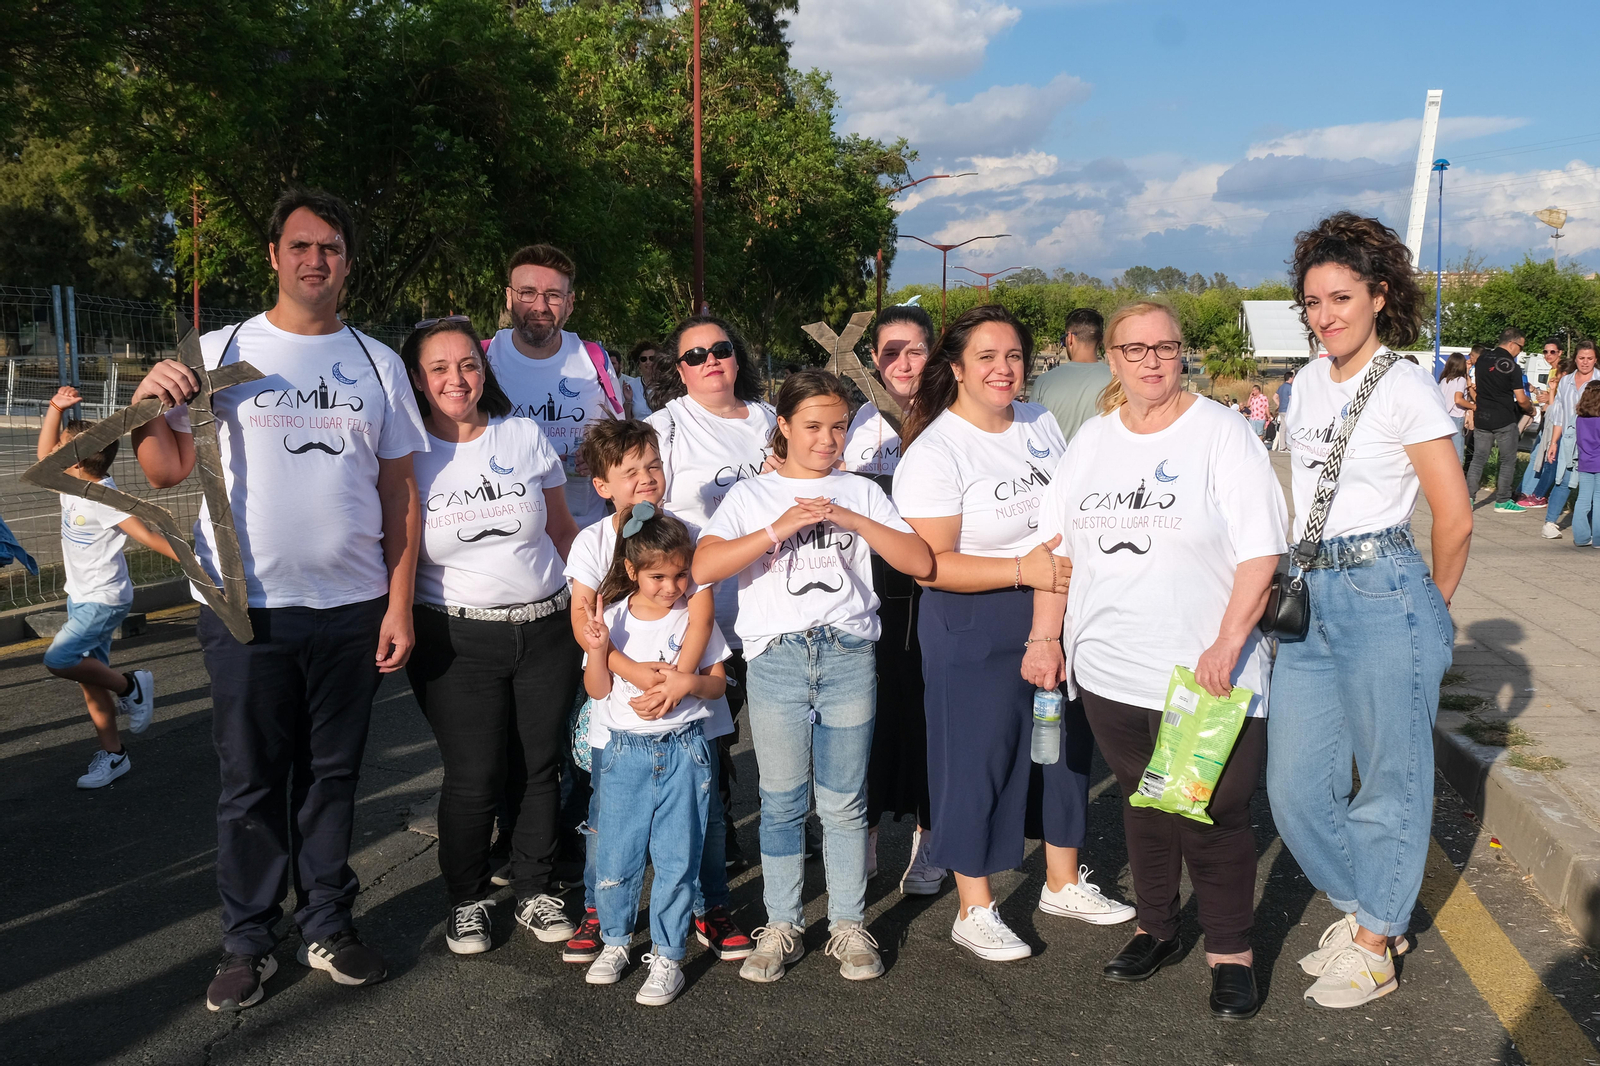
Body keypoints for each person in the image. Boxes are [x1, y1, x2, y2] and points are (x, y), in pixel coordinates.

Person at [129, 188, 428, 1011]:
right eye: (300, 246)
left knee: (332, 777)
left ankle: (328, 922)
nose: (315, 260)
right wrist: (149, 403)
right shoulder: (220, 349)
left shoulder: (376, 361)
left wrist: (398, 604)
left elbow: (402, 493)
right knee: (252, 780)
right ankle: (247, 939)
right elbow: (164, 470)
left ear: (347, 262)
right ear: (273, 256)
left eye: (330, 247)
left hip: (353, 605)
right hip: (245, 606)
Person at [1030, 301, 1287, 1019]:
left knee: (1213, 810)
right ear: (1109, 359)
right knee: (1143, 801)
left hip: (1202, 670)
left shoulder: (1223, 434)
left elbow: (1261, 549)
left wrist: (1229, 642)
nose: (1149, 361)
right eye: (1133, 348)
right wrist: (1046, 638)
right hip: (1110, 666)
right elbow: (1058, 552)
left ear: (1183, 355)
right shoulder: (1092, 444)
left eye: (1164, 347)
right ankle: (1156, 926)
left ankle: (1231, 951)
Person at [1270, 212, 1471, 1009]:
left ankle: (1375, 942)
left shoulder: (1405, 385)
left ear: (1380, 297)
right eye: (1313, 302)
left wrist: (1435, 607)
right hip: (1309, 593)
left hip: (1385, 587)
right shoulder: (1307, 380)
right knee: (1294, 788)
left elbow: (1453, 516)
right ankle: (1372, 910)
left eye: (1342, 298)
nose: (1326, 316)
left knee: (1392, 778)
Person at [892, 304, 1130, 964]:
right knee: (977, 761)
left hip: (1052, 609)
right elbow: (932, 564)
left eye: (1014, 357)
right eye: (988, 358)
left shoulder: (1038, 420)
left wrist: (1049, 592)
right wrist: (1020, 567)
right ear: (958, 368)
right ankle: (975, 905)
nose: (1003, 369)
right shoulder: (936, 449)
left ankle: (1061, 880)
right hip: (975, 620)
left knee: (1061, 748)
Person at [695, 369, 933, 983]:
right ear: (783, 427)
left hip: (850, 653)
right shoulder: (752, 495)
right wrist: (779, 528)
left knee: (846, 801)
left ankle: (849, 923)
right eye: (812, 427)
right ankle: (783, 923)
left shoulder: (861, 491)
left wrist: (855, 521)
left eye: (837, 426)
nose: (827, 439)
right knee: (779, 802)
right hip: (776, 657)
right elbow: (704, 563)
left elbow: (919, 560)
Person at [398, 315, 585, 955]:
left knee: (539, 767)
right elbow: (393, 548)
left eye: (468, 365)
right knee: (474, 774)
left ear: (485, 371)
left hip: (547, 628)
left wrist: (594, 606)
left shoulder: (524, 435)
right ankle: (468, 899)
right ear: (418, 380)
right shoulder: (406, 453)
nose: (458, 379)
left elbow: (562, 531)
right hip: (454, 638)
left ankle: (533, 887)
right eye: (440, 368)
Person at [559, 418, 751, 965]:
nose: (646, 477)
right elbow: (583, 616)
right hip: (621, 706)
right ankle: (600, 911)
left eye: (653, 465)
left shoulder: (687, 531)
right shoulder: (594, 541)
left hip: (690, 706)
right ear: (602, 485)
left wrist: (677, 683)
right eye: (629, 471)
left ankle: (708, 905)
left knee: (705, 813)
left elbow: (702, 611)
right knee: (607, 815)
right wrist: (631, 670)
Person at [581, 509, 731, 1005]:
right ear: (632, 571)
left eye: (680, 574)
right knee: (616, 852)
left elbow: (714, 684)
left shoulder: (694, 620)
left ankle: (668, 954)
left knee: (677, 856)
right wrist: (599, 650)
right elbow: (597, 690)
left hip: (686, 748)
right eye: (657, 576)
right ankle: (616, 941)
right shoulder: (615, 620)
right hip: (624, 751)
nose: (671, 586)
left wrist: (688, 683)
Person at [646, 315, 776, 869]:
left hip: (775, 604)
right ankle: (716, 842)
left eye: (719, 349)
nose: (710, 362)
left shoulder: (772, 420)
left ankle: (785, 830)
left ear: (736, 355)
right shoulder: (666, 425)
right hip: (705, 610)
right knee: (711, 738)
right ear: (680, 371)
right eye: (694, 356)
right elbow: (642, 510)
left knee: (779, 735)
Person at [844, 303, 946, 895]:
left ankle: (931, 843)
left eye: (914, 350)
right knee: (870, 721)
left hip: (938, 591)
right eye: (889, 352)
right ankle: (866, 837)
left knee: (931, 722)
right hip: (870, 595)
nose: (903, 363)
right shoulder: (859, 422)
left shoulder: (954, 419)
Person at [37, 387, 174, 788]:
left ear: (77, 461)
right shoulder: (71, 482)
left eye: (63, 448)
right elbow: (45, 455)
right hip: (80, 597)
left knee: (58, 660)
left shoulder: (104, 497)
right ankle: (114, 756)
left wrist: (200, 565)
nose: (54, 454)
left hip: (104, 599)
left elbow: (147, 536)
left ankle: (131, 685)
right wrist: (54, 410)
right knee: (89, 679)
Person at [486, 244, 631, 529]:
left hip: (585, 537)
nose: (540, 307)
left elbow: (620, 447)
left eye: (552, 295)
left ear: (570, 302)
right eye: (527, 293)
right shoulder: (483, 360)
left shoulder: (594, 359)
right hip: (509, 537)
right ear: (508, 298)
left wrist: (599, 458)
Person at [1464, 327, 1532, 513]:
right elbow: (1521, 398)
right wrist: (1530, 409)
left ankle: (1468, 499)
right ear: (1512, 344)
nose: (1520, 351)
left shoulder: (1483, 359)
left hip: (1482, 417)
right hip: (1503, 418)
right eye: (1520, 347)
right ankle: (1502, 501)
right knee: (1507, 460)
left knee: (1478, 459)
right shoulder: (1512, 366)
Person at [1539, 341, 1598, 538]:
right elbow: (1560, 415)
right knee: (1563, 480)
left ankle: (1591, 527)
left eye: (1590, 358)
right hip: (1569, 439)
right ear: (1575, 359)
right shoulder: (1566, 381)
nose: (1585, 362)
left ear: (1596, 359)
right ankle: (1550, 522)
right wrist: (1554, 442)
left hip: (1594, 438)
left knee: (1594, 486)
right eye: (1581, 358)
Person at [1030, 308, 1111, 444]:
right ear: (1101, 340)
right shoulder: (1118, 381)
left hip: (1056, 463)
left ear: (1070, 338)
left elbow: (1033, 431)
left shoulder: (1044, 382)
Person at [1517, 339, 1569, 506]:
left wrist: (1548, 397)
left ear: (1560, 352)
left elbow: (1560, 398)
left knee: (1540, 457)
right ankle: (1527, 491)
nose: (1548, 355)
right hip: (1548, 417)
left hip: (1556, 420)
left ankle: (1529, 493)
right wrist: (1537, 391)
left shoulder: (1563, 371)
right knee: (1537, 456)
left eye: (1552, 352)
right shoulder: (1552, 371)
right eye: (1545, 352)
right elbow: (1550, 396)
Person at [1571, 381, 1600, 547]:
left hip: (1585, 462)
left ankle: (1581, 537)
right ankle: (1598, 538)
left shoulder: (1580, 419)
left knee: (1583, 499)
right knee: (1598, 501)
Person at [1437, 352, 1471, 464]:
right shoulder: (1460, 380)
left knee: (1445, 450)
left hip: (1444, 416)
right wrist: (1473, 406)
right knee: (1457, 453)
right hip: (1456, 417)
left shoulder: (1444, 380)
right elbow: (1458, 399)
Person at [629, 339, 666, 412]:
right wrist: (628, 401)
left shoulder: (666, 385)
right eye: (643, 359)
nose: (648, 362)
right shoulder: (631, 386)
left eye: (652, 358)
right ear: (639, 364)